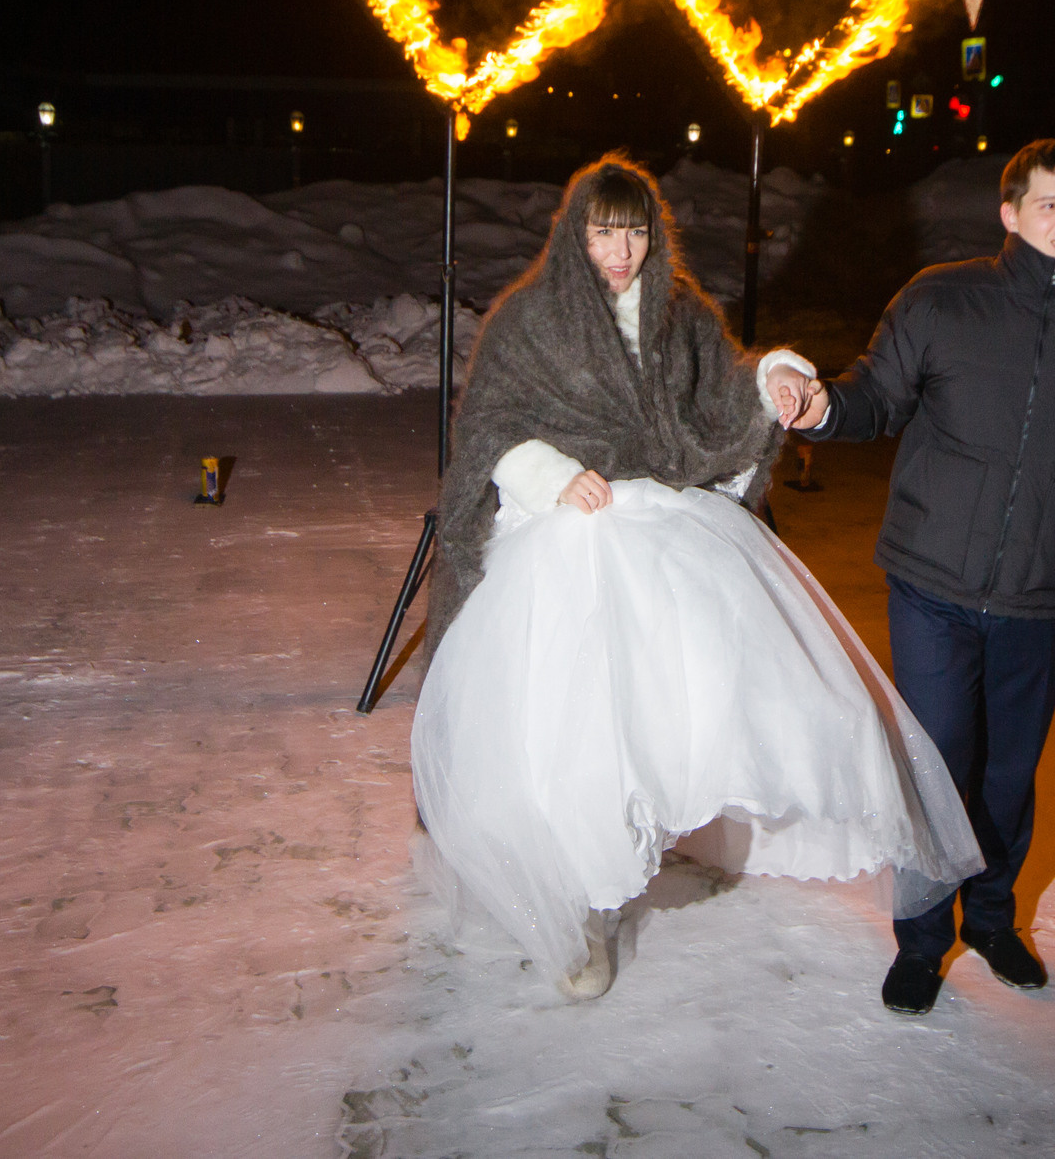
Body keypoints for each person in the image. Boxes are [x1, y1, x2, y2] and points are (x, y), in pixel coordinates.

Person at [411, 154, 980, 1000]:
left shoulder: (680, 313)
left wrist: (775, 374)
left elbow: (727, 385)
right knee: (577, 727)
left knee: (678, 706)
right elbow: (492, 425)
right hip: (565, 534)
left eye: (636, 229)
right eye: (605, 230)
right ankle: (581, 909)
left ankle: (653, 836)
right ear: (577, 233)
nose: (622, 249)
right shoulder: (528, 320)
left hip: (662, 524)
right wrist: (549, 472)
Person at [775, 138, 1055, 1015]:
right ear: (1009, 214)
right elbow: (877, 396)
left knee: (1009, 773)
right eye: (1050, 205)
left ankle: (995, 917)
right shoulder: (943, 301)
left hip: (1045, 595)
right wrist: (823, 407)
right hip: (932, 580)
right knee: (939, 765)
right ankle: (924, 937)